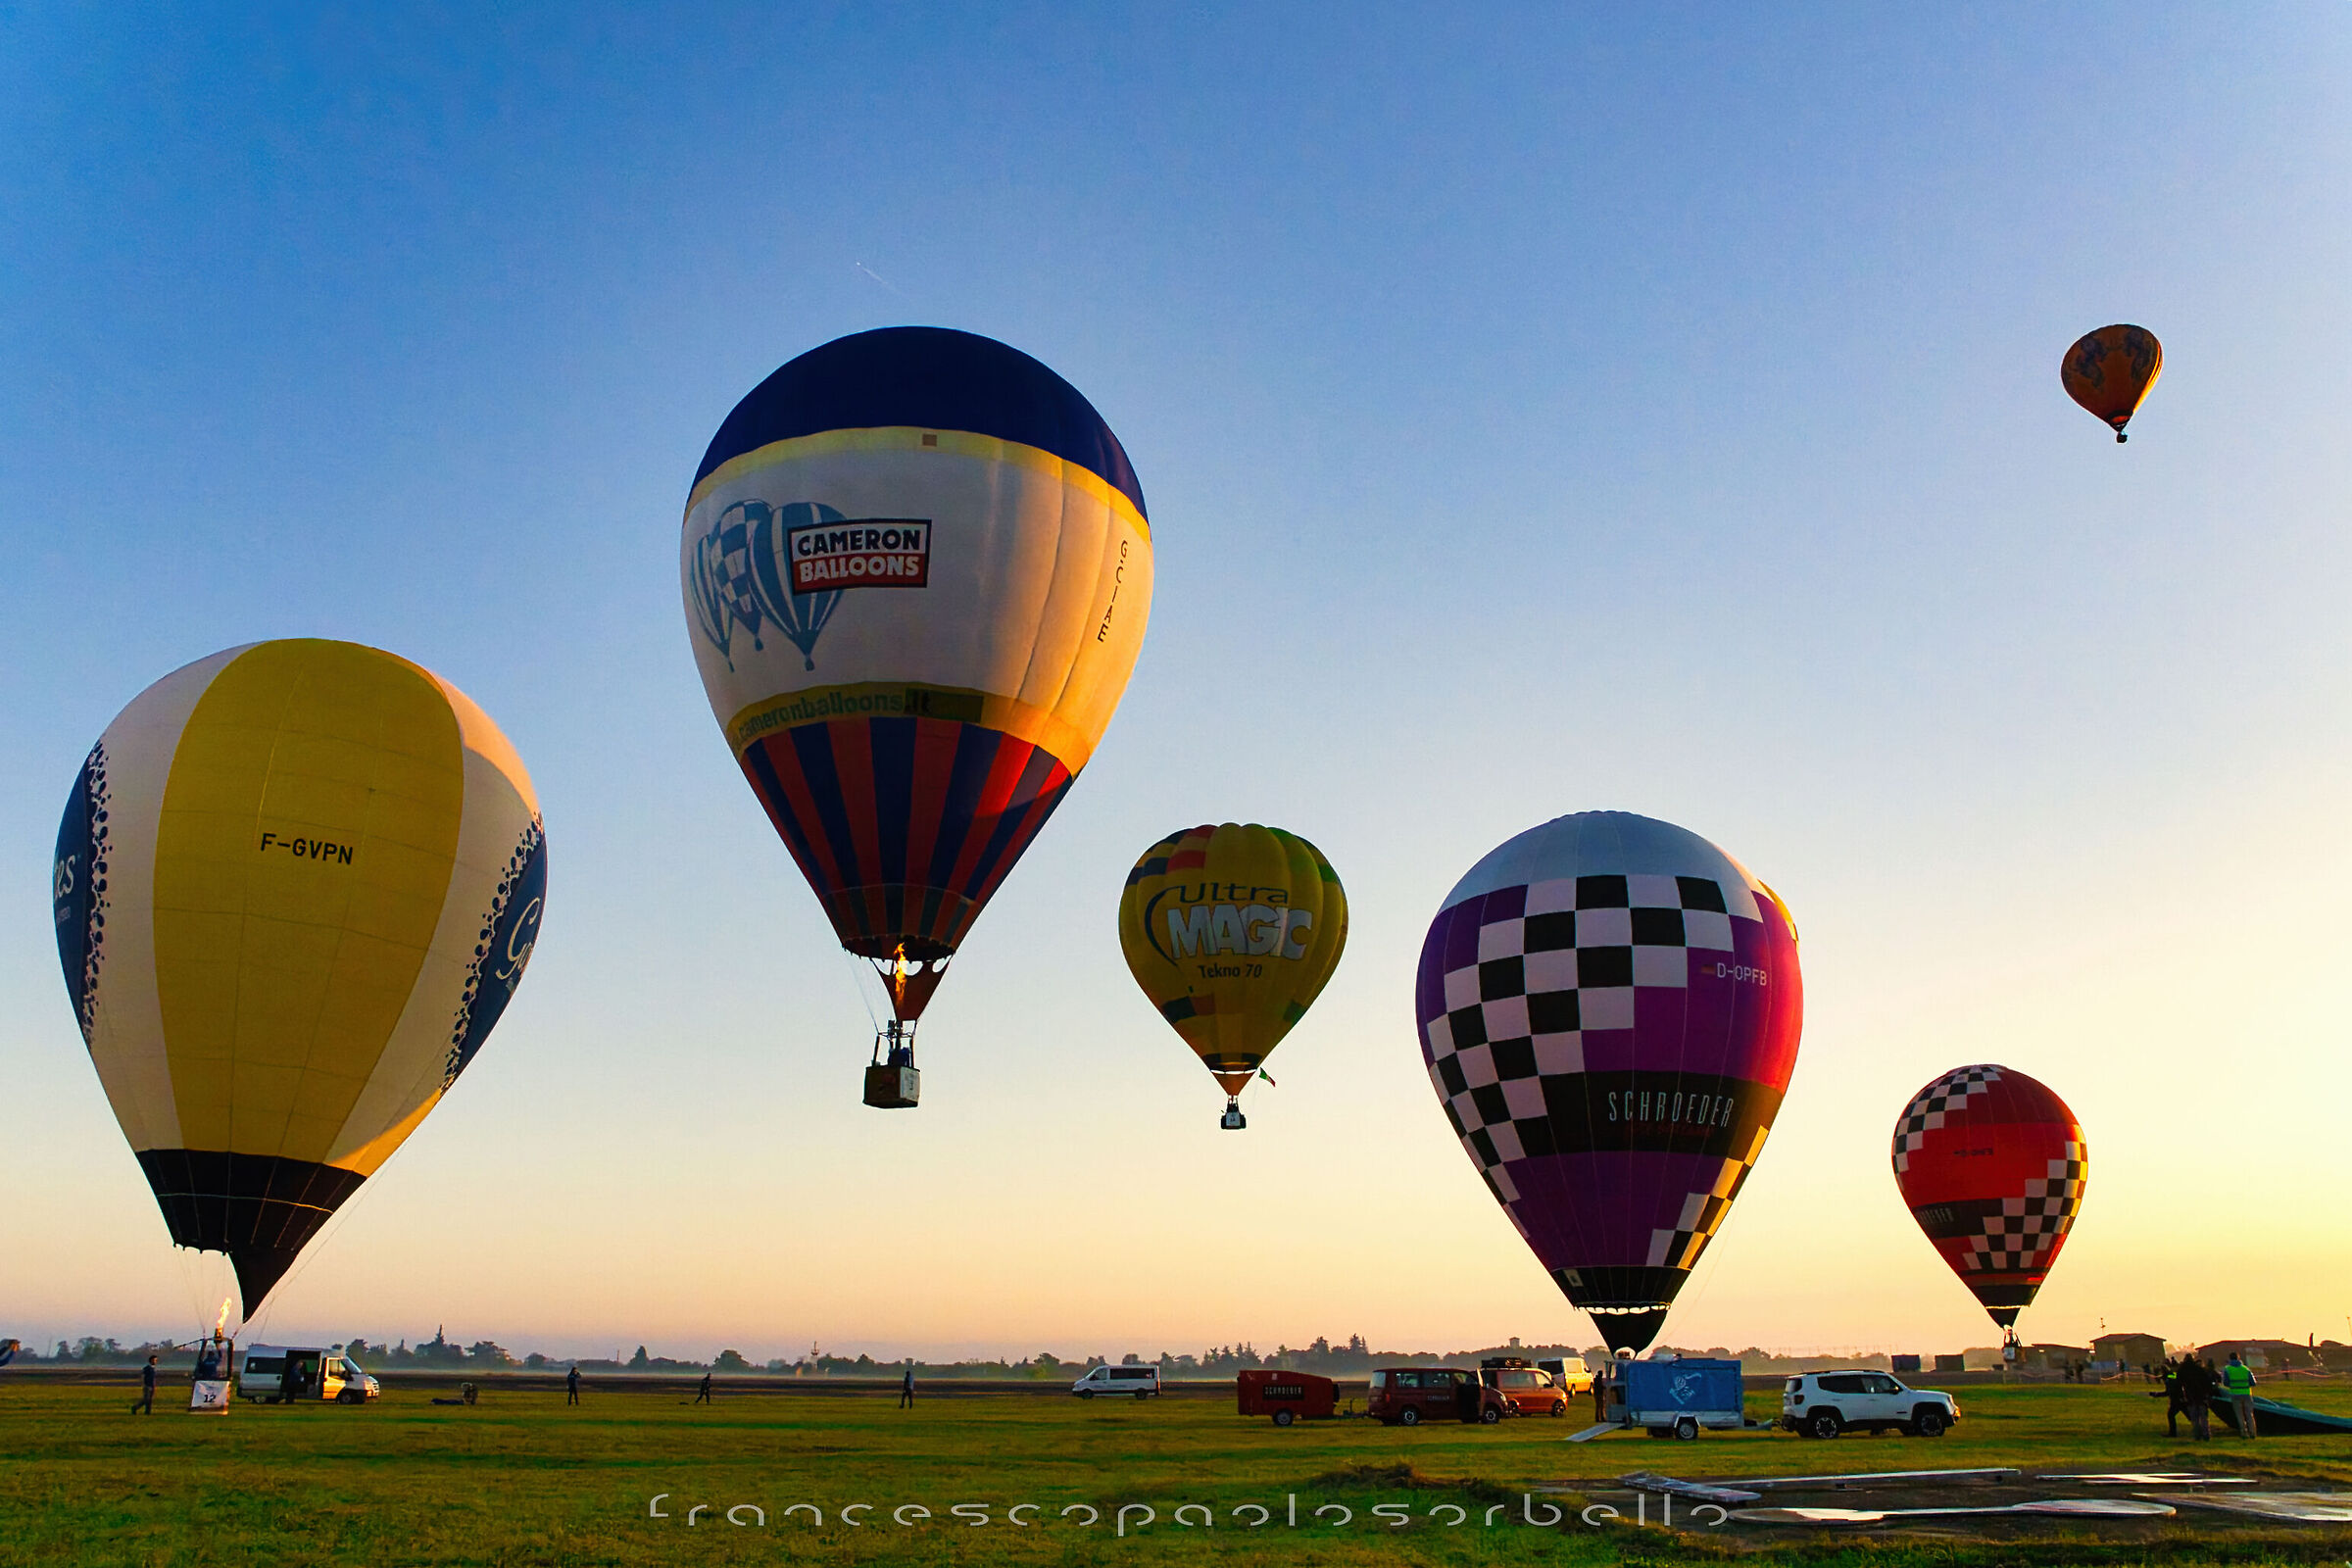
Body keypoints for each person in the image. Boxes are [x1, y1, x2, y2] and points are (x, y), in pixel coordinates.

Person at [2222, 1352, 2257, 1439]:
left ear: (2230, 1359)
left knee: (2239, 1415)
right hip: (2246, 1393)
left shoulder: (2227, 1369)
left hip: (2235, 1394)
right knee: (2249, 1414)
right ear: (2239, 1358)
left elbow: (2226, 1383)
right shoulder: (2246, 1369)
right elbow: (2253, 1383)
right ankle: (2252, 1432)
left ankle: (2243, 1433)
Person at [2160, 1357, 2186, 1437]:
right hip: (2180, 1398)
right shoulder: (2173, 1375)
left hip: (2176, 1400)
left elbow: (2169, 1391)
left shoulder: (2169, 1379)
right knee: (2188, 1415)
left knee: (2171, 1415)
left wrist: (2156, 1394)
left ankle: (2172, 1433)